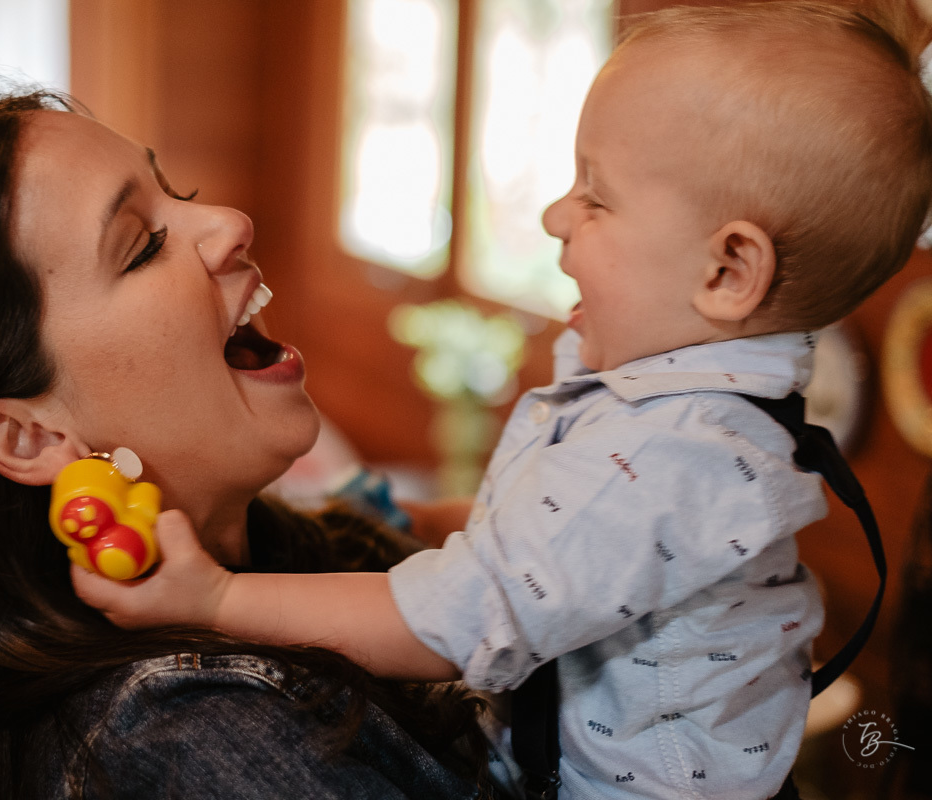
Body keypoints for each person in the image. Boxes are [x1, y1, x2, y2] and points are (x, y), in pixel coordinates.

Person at [72, 2, 932, 798]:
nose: (558, 215)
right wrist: (428, 519)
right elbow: (558, 545)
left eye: (596, 196)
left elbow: (454, 624)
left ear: (727, 271)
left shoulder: (671, 454)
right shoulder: (676, 408)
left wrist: (215, 601)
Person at [0, 91, 499, 799]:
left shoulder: (291, 551)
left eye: (181, 194)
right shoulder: (187, 740)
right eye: (142, 246)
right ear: (27, 436)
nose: (231, 221)